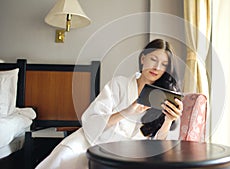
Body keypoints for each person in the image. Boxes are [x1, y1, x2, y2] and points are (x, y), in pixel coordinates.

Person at [36, 39, 183, 169]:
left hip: (126, 152)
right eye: (153, 59)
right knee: (66, 154)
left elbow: (158, 146)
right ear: (143, 58)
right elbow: (91, 121)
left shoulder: (162, 98)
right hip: (90, 140)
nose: (157, 67)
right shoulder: (118, 84)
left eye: (164, 64)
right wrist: (125, 112)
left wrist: (168, 120)